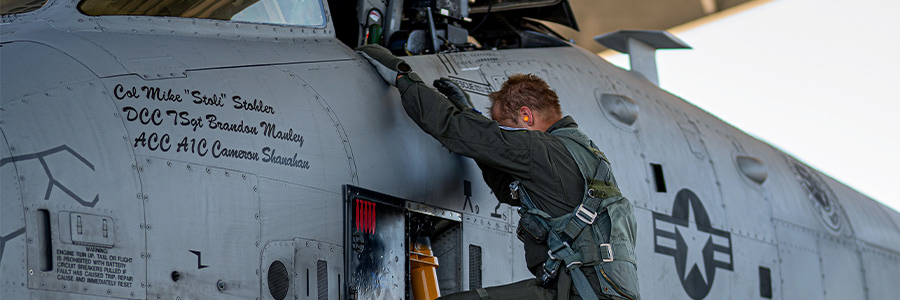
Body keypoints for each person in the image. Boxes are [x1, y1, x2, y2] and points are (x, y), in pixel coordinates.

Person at [356, 45, 640, 300]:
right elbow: (508, 189)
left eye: (503, 127)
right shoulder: (583, 154)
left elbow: (454, 129)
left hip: (577, 291)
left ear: (526, 116)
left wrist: (403, 78)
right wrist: (474, 118)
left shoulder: (539, 150)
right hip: (576, 288)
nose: (503, 137)